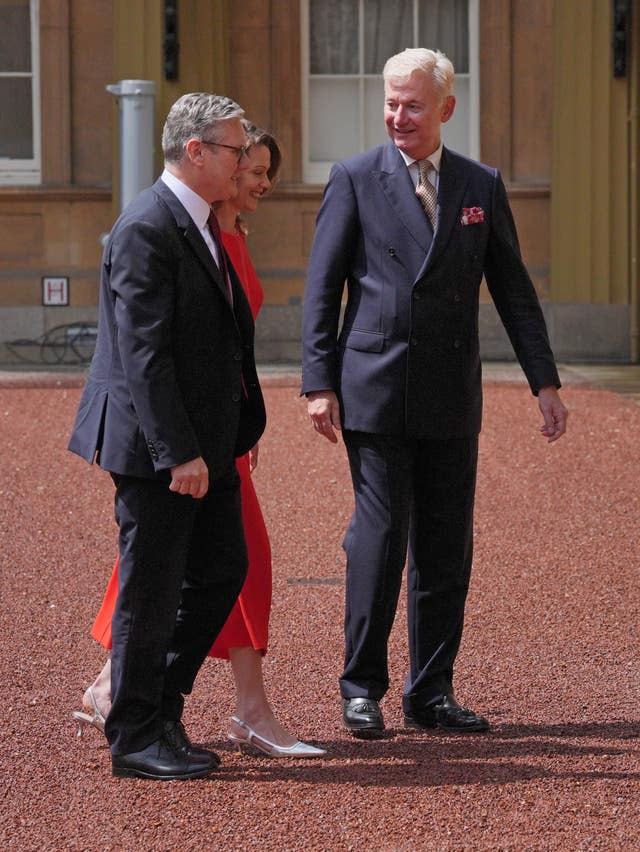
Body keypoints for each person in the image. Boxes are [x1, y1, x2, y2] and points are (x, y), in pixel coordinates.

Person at [301, 48, 568, 738]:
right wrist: (317, 381)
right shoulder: (355, 178)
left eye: (412, 104)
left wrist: (544, 382)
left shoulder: (480, 185)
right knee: (380, 537)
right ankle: (361, 687)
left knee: (446, 546)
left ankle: (431, 691)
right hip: (375, 387)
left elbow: (512, 289)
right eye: (390, 103)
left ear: (447, 108)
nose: (397, 116)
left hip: (452, 391)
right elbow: (323, 288)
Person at [73, 122, 324, 759]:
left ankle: (157, 708)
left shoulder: (205, 224)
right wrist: (178, 451)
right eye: (240, 154)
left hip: (209, 440)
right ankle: (135, 734)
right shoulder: (148, 224)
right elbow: (145, 355)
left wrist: (230, 427)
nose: (250, 169)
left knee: (220, 570)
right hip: (165, 447)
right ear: (198, 151)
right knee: (151, 589)